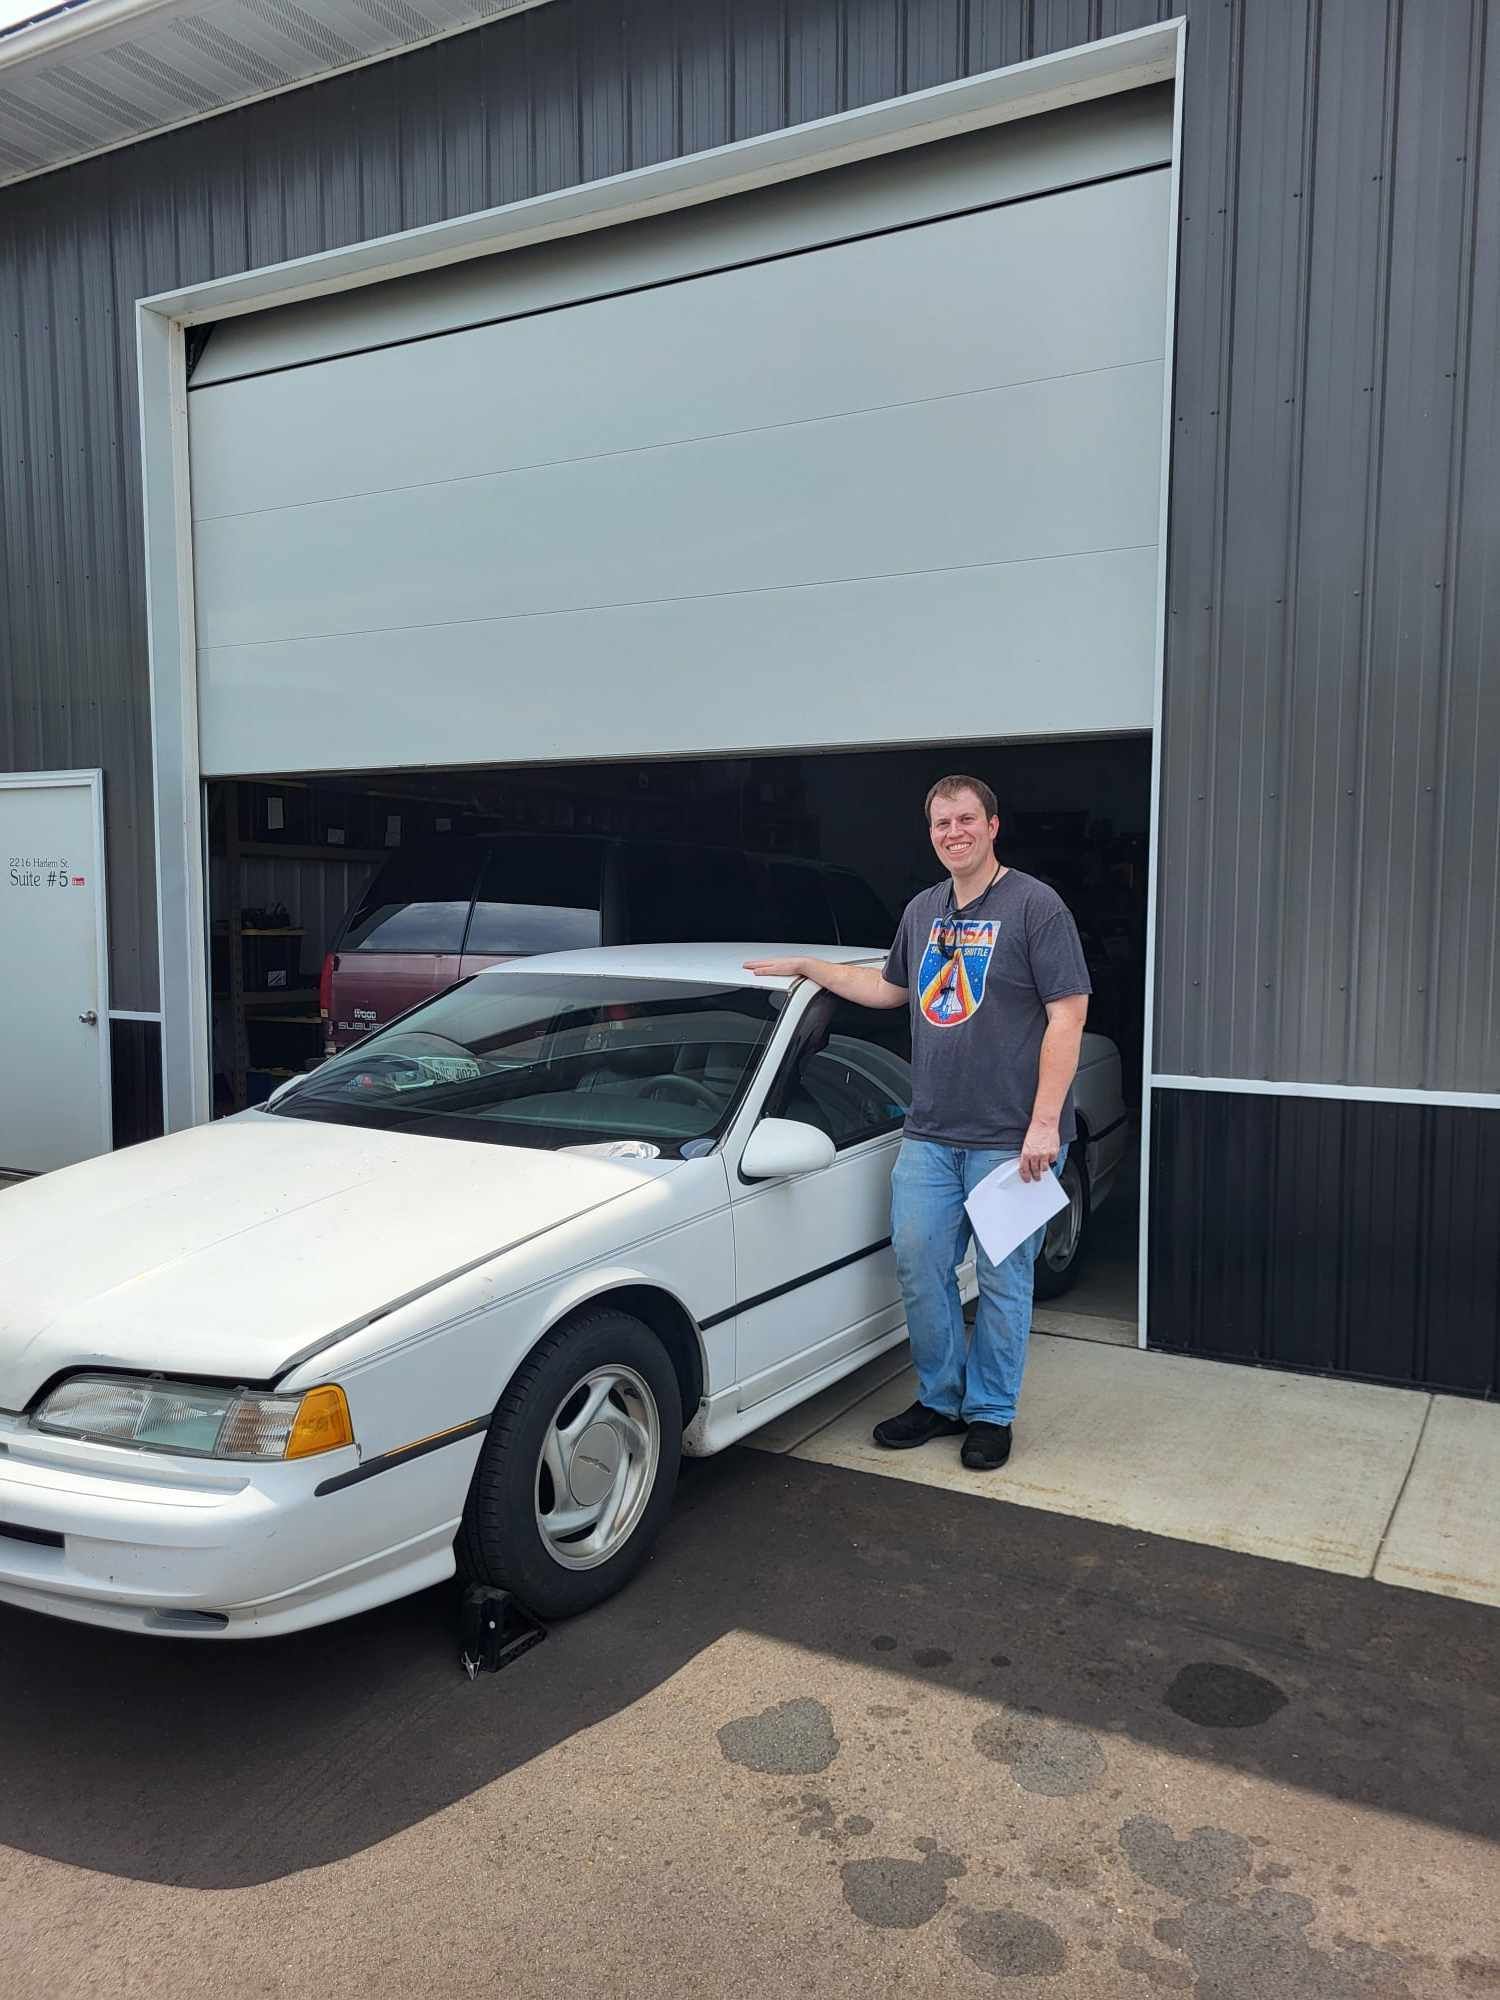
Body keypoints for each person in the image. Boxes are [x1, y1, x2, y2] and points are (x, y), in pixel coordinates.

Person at [746, 776, 1090, 1471]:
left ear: (993, 826)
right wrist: (814, 967)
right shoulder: (923, 910)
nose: (954, 832)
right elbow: (889, 987)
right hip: (929, 1137)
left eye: (967, 819)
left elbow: (1068, 1012)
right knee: (920, 1267)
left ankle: (991, 1413)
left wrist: (1044, 1124)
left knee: (1003, 1281)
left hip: (1008, 1142)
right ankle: (940, 1400)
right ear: (930, 832)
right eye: (941, 823)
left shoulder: (1035, 907)